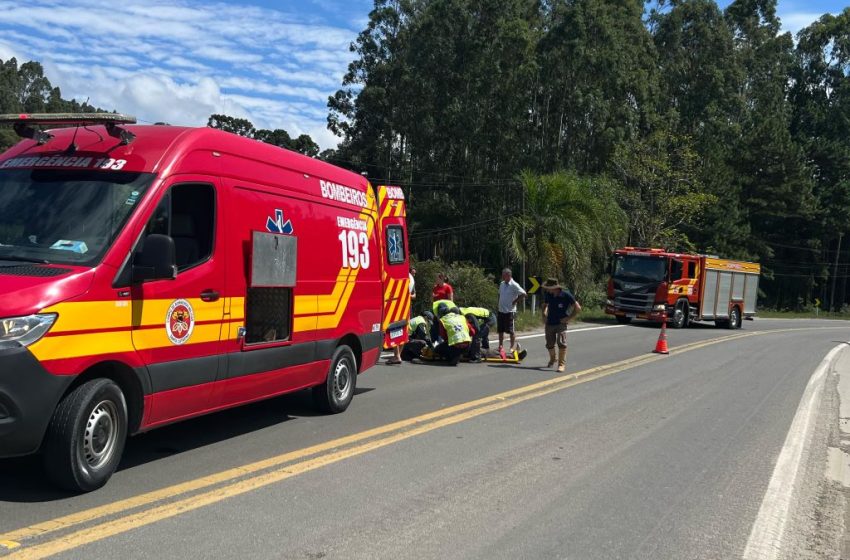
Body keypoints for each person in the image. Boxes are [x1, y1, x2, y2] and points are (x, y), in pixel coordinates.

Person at [541, 277, 581, 372]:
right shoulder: (548, 295)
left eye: (548, 288)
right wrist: (544, 314)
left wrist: (569, 318)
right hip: (550, 322)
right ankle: (553, 359)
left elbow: (578, 307)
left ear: (554, 288)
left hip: (561, 323)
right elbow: (544, 305)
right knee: (549, 344)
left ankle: (561, 364)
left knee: (561, 342)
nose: (547, 289)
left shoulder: (566, 295)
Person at [388, 266, 418, 365]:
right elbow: (413, 294)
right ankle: (398, 355)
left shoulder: (401, 276)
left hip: (397, 306)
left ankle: (397, 355)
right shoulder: (411, 278)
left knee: (395, 329)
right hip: (406, 307)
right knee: (403, 329)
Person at [497, 268, 526, 353]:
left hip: (510, 311)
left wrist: (515, 301)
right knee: (500, 330)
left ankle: (511, 347)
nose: (502, 276)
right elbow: (499, 295)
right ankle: (500, 346)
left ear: (509, 275)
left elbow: (524, 294)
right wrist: (498, 304)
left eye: (504, 275)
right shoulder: (502, 284)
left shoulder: (514, 284)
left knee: (511, 330)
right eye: (502, 275)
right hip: (501, 309)